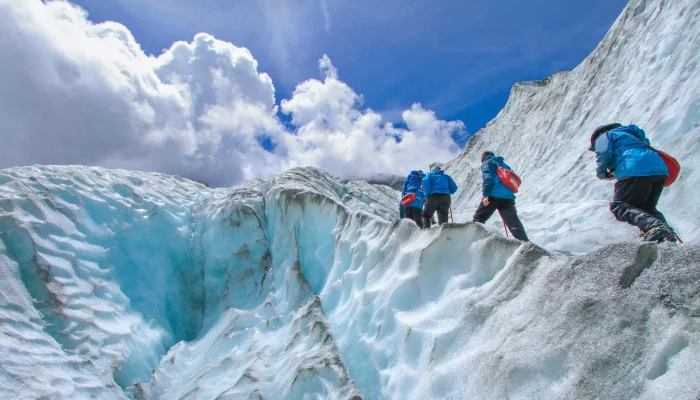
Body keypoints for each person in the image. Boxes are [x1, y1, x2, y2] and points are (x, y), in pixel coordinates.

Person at [589, 123, 676, 242]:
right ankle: (667, 237)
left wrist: (602, 173)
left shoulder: (605, 135)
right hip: (659, 169)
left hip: (634, 167)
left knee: (619, 206)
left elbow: (603, 153)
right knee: (646, 208)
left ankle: (655, 228)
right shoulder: (632, 135)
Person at [472, 151, 529, 241]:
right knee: (513, 222)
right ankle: (525, 242)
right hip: (508, 197)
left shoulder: (486, 163)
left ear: (483, 159)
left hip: (494, 195)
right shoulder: (504, 165)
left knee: (479, 218)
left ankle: (476, 240)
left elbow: (488, 179)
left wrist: (486, 195)